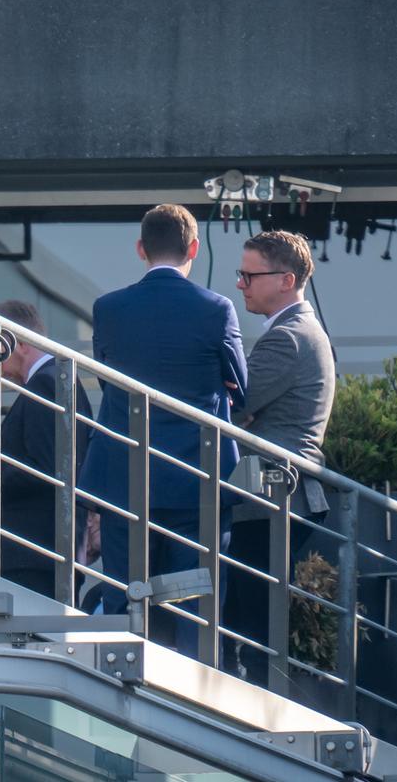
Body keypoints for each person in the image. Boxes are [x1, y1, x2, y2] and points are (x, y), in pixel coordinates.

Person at [78, 204, 246, 655]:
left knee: (123, 591)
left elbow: (110, 373)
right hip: (195, 475)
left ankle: (115, 693)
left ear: (140, 249)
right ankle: (195, 704)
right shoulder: (216, 308)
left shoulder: (108, 307)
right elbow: (241, 386)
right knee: (195, 599)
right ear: (194, 247)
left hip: (123, 473)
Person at [224, 228, 336, 682]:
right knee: (246, 617)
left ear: (285, 280)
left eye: (249, 276)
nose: (240, 285)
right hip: (279, 495)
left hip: (271, 498)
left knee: (244, 622)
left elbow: (233, 408)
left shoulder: (287, 338)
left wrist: (238, 414)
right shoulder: (300, 332)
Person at [0, 300, 95, 601]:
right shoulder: (57, 380)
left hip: (36, 554)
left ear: (12, 342)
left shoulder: (47, 384)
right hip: (47, 551)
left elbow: (43, 468)